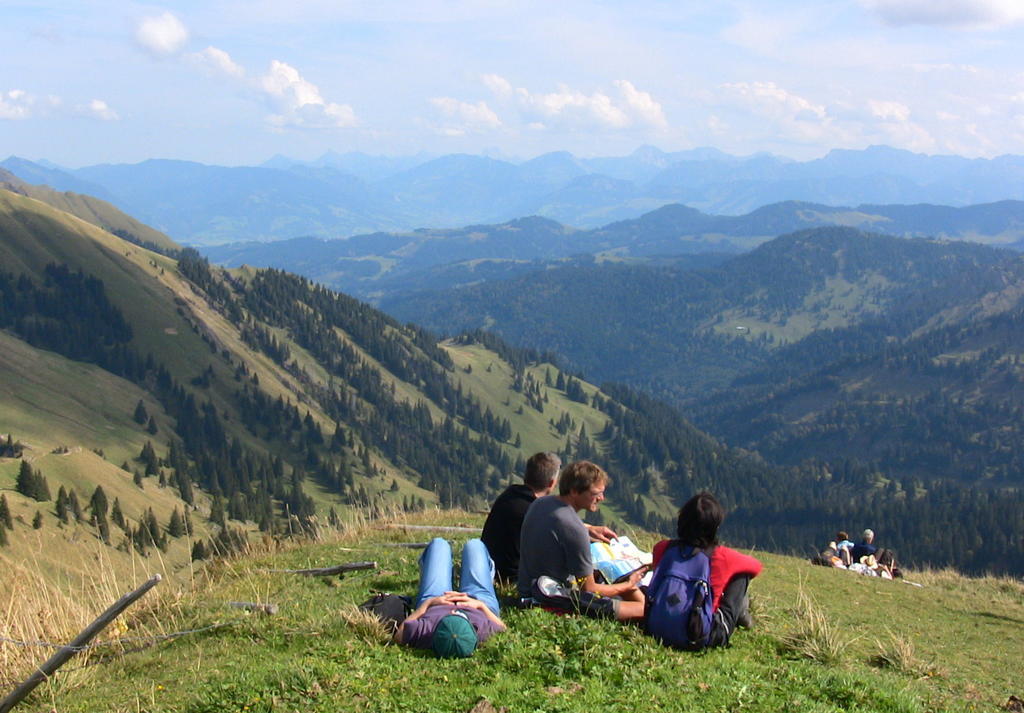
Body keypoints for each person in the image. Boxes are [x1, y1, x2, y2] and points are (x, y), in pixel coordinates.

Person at [517, 460, 646, 621]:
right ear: (574, 491)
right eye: (595, 493)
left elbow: (559, 529)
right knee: (642, 609)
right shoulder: (574, 528)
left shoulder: (541, 503)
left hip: (526, 589)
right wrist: (628, 585)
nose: (601, 498)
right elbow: (589, 589)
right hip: (547, 599)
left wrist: (588, 529)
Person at [482, 452, 615, 582]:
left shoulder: (512, 496)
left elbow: (559, 523)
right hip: (514, 578)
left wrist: (588, 528)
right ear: (552, 483)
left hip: (491, 569)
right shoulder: (535, 509)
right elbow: (564, 528)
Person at [651, 491, 762, 647]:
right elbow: (756, 567)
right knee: (742, 575)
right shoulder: (721, 556)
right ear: (714, 527)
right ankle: (741, 616)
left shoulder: (663, 548)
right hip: (699, 633)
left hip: (655, 627)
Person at [395, 538, 505, 658]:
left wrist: (428, 604)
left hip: (436, 601)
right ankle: (463, 575)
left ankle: (452, 574)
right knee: (474, 546)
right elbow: (502, 627)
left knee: (439, 544)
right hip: (478, 602)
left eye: (450, 616)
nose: (454, 610)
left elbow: (399, 634)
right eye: (459, 615)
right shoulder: (483, 630)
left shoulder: (426, 630)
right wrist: (480, 605)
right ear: (473, 630)